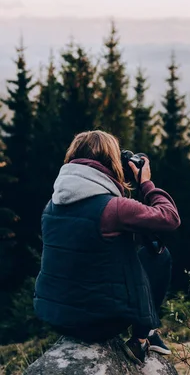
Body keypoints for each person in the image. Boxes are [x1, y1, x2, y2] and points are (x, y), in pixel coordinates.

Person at [34, 130, 181, 364]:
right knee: (157, 255)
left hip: (56, 316)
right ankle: (142, 339)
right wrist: (146, 183)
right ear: (111, 162)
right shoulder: (114, 208)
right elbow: (170, 218)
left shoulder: (52, 204)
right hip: (100, 323)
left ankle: (146, 335)